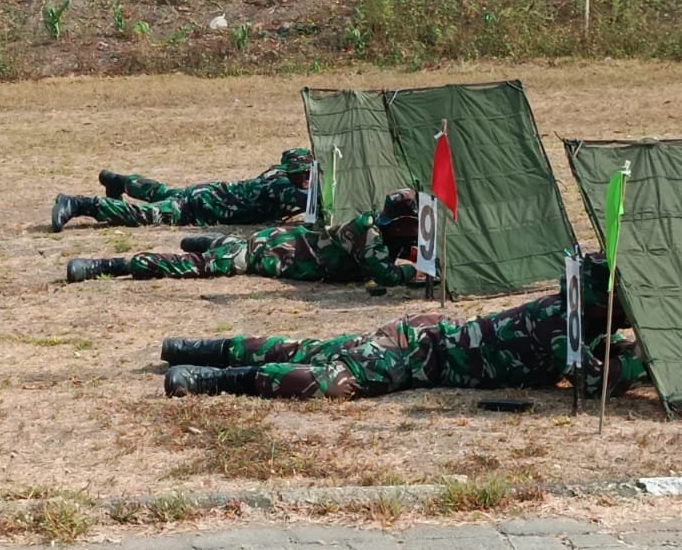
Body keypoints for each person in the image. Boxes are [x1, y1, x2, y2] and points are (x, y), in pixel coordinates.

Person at [161, 253, 649, 400]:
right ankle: (210, 376)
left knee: (310, 348)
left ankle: (200, 348)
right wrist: (643, 362)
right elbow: (591, 381)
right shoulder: (566, 326)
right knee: (324, 380)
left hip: (426, 336)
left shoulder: (573, 317)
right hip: (420, 355)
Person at [66, 189, 422, 287]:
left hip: (276, 240)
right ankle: (108, 265)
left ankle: (210, 240)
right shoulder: (368, 234)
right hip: (270, 253)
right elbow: (386, 275)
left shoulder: (373, 227)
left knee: (226, 248)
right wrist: (412, 272)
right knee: (201, 268)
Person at [50, 148, 314, 231]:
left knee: (162, 192)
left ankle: (119, 181)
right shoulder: (281, 185)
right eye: (303, 175)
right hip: (200, 207)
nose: (306, 179)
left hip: (206, 194)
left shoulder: (278, 174)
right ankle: (79, 204)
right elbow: (310, 202)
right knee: (148, 215)